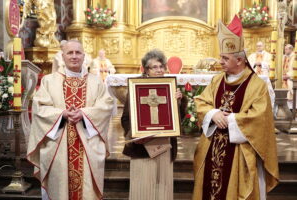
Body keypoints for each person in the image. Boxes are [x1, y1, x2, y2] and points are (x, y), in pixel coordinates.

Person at [192, 16, 279, 200]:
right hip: (212, 148)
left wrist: (230, 120)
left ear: (239, 60)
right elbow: (201, 101)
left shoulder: (256, 85)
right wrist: (213, 113)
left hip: (240, 152)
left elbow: (260, 118)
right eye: (221, 57)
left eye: (225, 58)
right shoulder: (217, 80)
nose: (220, 61)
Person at [27, 40, 114, 200]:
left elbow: (106, 106)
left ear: (84, 56)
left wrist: (84, 114)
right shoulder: (49, 81)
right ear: (62, 56)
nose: (74, 56)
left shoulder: (96, 82)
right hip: (58, 147)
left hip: (87, 146)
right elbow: (40, 109)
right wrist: (62, 114)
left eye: (78, 52)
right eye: (70, 53)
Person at [121, 49, 187, 200]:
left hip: (165, 144)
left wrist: (179, 101)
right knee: (143, 187)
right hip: (142, 146)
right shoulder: (136, 88)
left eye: (161, 66)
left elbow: (179, 119)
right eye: (154, 67)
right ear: (145, 70)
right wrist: (135, 134)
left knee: (163, 186)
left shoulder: (169, 87)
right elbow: (125, 118)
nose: (159, 70)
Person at [282, 44, 295, 109]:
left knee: (291, 94)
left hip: (291, 78)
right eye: (285, 49)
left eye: (286, 49)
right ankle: (284, 109)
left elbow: (295, 69)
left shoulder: (295, 57)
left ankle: (292, 110)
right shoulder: (284, 57)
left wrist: (289, 75)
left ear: (291, 49)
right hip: (283, 78)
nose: (285, 50)